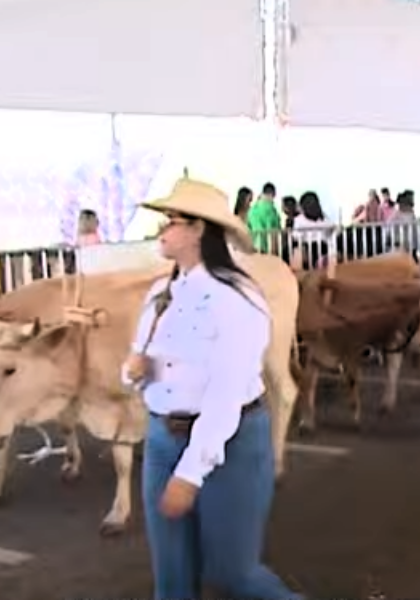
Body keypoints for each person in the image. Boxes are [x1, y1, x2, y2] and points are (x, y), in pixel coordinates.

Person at [124, 177, 303, 600]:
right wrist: (136, 370)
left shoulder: (238, 299)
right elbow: (147, 364)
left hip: (231, 440)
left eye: (171, 220)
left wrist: (190, 472)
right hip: (162, 437)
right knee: (171, 580)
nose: (161, 230)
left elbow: (226, 393)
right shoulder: (159, 294)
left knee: (233, 574)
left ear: (199, 229)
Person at [246, 182, 281, 254]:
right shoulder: (270, 209)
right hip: (267, 248)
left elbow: (248, 227)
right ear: (272, 194)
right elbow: (273, 231)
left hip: (254, 247)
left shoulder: (252, 210)